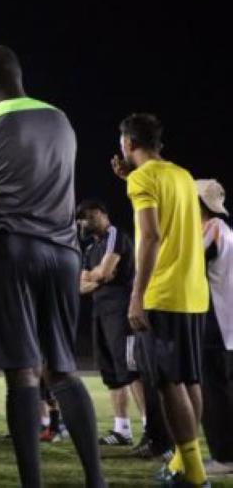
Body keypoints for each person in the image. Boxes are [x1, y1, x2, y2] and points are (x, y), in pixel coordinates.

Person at [0, 45, 104, 487]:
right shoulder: (60, 118)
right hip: (64, 252)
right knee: (63, 368)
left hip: (12, 248)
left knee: (22, 372)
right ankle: (96, 480)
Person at [110, 112, 210, 487]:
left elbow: (151, 236)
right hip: (192, 292)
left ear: (129, 143)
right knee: (189, 379)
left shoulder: (143, 179)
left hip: (163, 293)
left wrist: (137, 296)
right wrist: (130, 178)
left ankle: (194, 474)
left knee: (169, 384)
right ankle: (185, 462)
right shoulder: (182, 175)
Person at [76, 199, 145, 446]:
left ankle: (151, 428)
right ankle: (122, 430)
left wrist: (96, 276)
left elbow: (104, 273)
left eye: (91, 215)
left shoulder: (115, 235)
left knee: (131, 370)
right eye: (83, 218)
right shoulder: (89, 248)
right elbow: (80, 286)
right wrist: (98, 277)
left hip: (121, 312)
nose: (86, 221)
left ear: (104, 214)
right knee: (112, 373)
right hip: (100, 312)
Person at [197, 179, 233, 476]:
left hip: (216, 323)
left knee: (214, 392)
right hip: (226, 322)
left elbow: (189, 266)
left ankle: (224, 457)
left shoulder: (211, 229)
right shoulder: (226, 230)